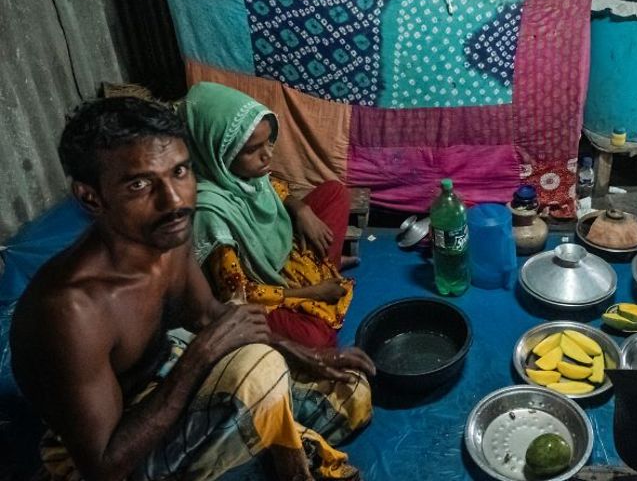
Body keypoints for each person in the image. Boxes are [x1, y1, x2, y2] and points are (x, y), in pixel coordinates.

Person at [10, 97, 375, 481]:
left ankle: (254, 446)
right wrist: (202, 355)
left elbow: (207, 316)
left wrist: (309, 357)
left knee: (352, 395)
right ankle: (263, 453)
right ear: (91, 197)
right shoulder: (72, 311)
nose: (174, 201)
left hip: (165, 380)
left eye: (180, 172)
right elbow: (104, 466)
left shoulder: (168, 239)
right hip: (104, 455)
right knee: (259, 370)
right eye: (139, 184)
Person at [180, 82, 356, 350]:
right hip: (260, 285)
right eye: (252, 150)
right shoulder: (211, 214)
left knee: (334, 193)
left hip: (282, 250)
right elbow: (239, 295)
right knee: (317, 339)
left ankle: (322, 268)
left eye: (268, 142)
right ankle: (322, 275)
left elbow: (274, 187)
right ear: (216, 151)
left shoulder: (245, 174)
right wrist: (311, 293)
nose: (268, 155)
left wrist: (301, 210)